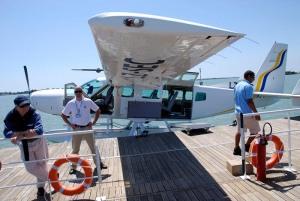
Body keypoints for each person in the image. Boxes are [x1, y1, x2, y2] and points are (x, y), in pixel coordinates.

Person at [3, 95, 49, 197]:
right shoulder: (10, 117)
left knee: (42, 164)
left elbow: (39, 130)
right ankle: (52, 178)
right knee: (31, 167)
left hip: (39, 142)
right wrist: (24, 133)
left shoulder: (34, 113)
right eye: (22, 106)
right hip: (24, 145)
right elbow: (6, 133)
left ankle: (40, 188)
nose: (26, 108)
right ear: (16, 106)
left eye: (27, 105)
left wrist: (18, 134)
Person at [61, 86, 107, 174]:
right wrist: (70, 125)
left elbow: (98, 110)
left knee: (93, 147)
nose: (78, 93)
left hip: (87, 128)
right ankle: (73, 167)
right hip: (76, 128)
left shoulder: (88, 101)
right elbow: (63, 114)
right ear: (74, 93)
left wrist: (93, 122)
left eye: (79, 91)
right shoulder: (71, 103)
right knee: (75, 149)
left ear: (82, 92)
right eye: (76, 91)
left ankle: (99, 164)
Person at [233, 70, 261, 155]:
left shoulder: (237, 85)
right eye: (253, 77)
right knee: (255, 131)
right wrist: (256, 113)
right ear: (249, 76)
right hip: (247, 113)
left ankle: (236, 148)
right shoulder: (248, 86)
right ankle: (247, 145)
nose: (254, 79)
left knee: (239, 131)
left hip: (238, 112)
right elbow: (250, 101)